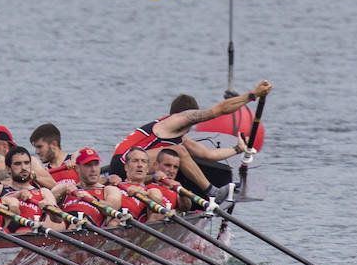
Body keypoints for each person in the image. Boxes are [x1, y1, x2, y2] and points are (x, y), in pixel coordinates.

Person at [109, 80, 272, 194]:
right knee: (177, 153)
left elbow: (207, 155)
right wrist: (253, 94)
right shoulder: (179, 119)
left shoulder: (180, 138)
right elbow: (221, 109)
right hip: (123, 164)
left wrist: (238, 148)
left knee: (178, 152)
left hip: (129, 166)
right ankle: (212, 192)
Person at [52, 147, 122, 227]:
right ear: (77, 168)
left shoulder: (109, 189)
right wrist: (64, 188)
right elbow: (49, 197)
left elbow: (112, 208)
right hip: (64, 225)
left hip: (89, 226)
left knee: (78, 223)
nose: (93, 169)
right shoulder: (68, 189)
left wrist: (91, 199)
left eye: (96, 164)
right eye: (88, 165)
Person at [0, 145, 60, 230]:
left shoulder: (43, 192)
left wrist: (50, 208)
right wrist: (16, 196)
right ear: (8, 169)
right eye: (18, 164)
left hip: (33, 237)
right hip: (7, 236)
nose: (23, 167)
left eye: (26, 163)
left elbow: (58, 219)